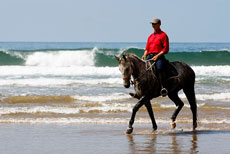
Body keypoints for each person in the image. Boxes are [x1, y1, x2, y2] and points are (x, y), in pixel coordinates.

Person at [142, 18, 169, 97]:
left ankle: (163, 88)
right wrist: (144, 54)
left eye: (155, 24)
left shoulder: (163, 35)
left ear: (159, 24)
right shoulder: (150, 36)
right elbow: (147, 48)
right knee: (144, 70)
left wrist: (157, 56)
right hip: (150, 56)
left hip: (159, 56)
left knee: (159, 68)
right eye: (152, 24)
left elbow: (165, 49)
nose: (153, 25)